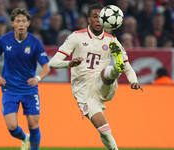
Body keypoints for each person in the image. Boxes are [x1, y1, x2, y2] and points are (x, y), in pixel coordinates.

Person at [49, 4, 143, 150]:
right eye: (95, 17)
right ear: (88, 19)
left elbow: (128, 65)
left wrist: (134, 81)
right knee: (104, 130)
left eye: (101, 17)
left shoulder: (112, 40)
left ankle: (115, 70)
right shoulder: (76, 37)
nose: (99, 20)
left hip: (103, 84)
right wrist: (69, 63)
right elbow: (53, 63)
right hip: (83, 90)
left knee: (108, 72)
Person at [0, 8, 50, 150]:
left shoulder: (35, 42)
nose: (21, 24)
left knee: (33, 124)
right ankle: (24, 137)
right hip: (10, 89)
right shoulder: (4, 40)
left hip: (29, 89)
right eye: (18, 21)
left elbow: (46, 66)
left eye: (24, 21)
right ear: (13, 24)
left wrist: (37, 77)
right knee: (11, 127)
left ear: (28, 23)